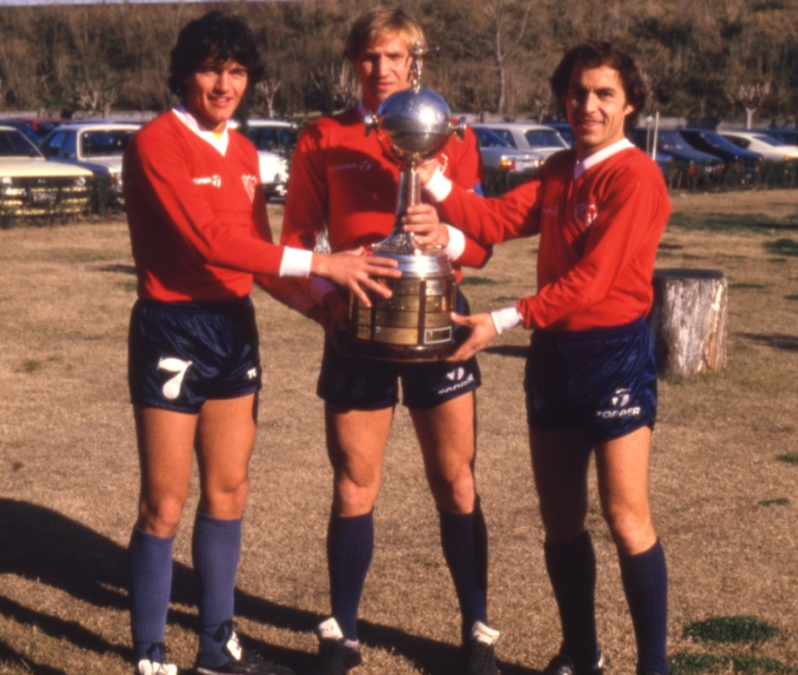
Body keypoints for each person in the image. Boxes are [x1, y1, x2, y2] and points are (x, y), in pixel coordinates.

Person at [121, 11, 399, 675]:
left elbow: (254, 261)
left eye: (238, 71)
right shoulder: (157, 142)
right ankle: (151, 657)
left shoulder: (245, 153)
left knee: (231, 490)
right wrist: (327, 264)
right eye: (213, 68)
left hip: (231, 327)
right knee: (163, 501)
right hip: (173, 328)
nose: (225, 83)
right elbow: (207, 243)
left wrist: (324, 307)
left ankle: (216, 645)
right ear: (185, 72)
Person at [410, 41, 672, 675]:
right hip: (554, 356)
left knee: (623, 513)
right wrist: (433, 177)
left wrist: (500, 319)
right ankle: (582, 653)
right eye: (578, 92)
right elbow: (496, 219)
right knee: (559, 518)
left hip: (612, 353)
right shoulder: (561, 169)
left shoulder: (636, 175)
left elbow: (597, 279)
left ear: (629, 104)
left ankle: (654, 666)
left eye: (604, 94)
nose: (588, 105)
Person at [280, 7, 500, 675]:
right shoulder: (322, 137)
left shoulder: (449, 134)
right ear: (354, 63)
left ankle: (477, 628)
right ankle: (340, 630)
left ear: (416, 62)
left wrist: (447, 237)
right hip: (358, 322)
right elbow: (292, 245)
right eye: (369, 58)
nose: (381, 70)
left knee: (456, 478)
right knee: (354, 482)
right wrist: (324, 309)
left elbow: (483, 243)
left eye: (394, 57)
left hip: (439, 317)